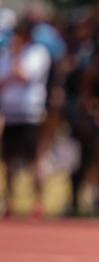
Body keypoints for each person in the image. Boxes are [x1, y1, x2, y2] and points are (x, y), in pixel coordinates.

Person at [0, 18, 52, 218]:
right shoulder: (6, 55)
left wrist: (14, 66)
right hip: (10, 114)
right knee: (8, 161)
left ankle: (38, 202)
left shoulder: (37, 53)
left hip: (31, 114)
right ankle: (10, 201)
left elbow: (24, 75)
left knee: (33, 159)